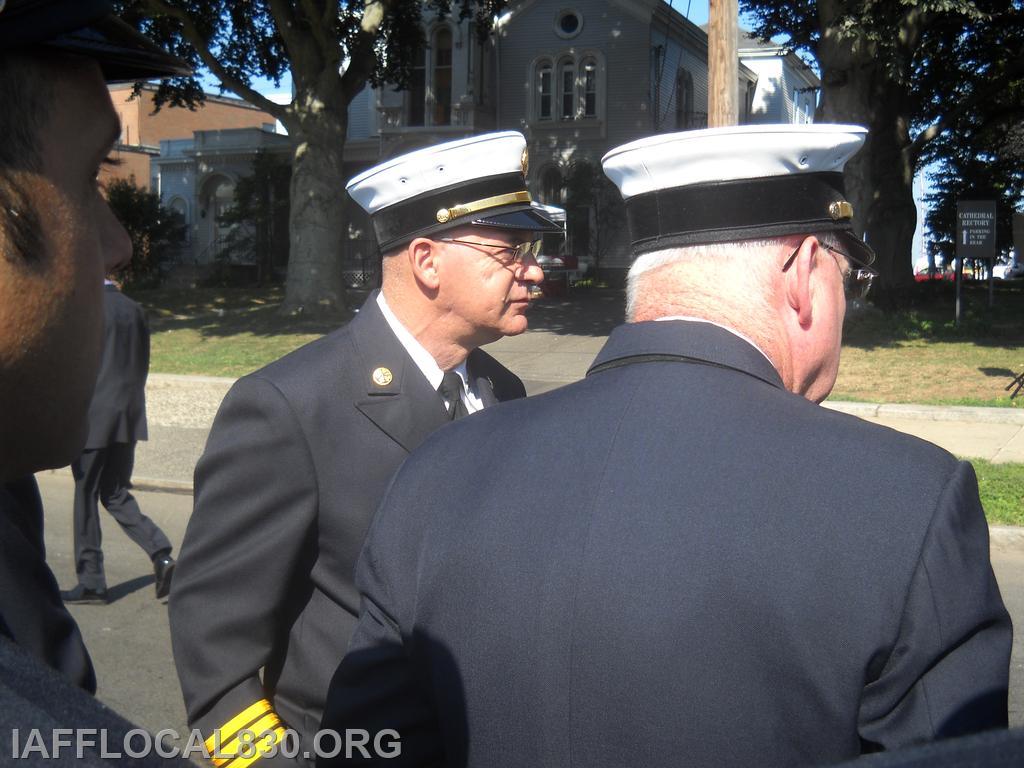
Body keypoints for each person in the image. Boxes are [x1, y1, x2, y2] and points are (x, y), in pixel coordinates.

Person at [319, 125, 1012, 767]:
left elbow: (366, 748)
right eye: (847, 281)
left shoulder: (439, 471)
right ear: (804, 274)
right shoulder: (907, 500)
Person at [169, 131, 563, 766]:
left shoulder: (502, 390)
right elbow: (214, 649)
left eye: (533, 250)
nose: (535, 270)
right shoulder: (290, 405)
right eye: (510, 251)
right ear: (428, 261)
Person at [0, 0, 188, 689]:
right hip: (120, 422)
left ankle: (105, 571)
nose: (117, 245)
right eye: (87, 177)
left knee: (97, 504)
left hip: (98, 424)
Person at [61, 278, 175, 606]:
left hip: (94, 415)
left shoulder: (87, 308)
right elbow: (143, 363)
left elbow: (74, 365)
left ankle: (92, 581)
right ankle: (160, 553)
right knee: (113, 492)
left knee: (86, 495)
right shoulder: (134, 309)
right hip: (127, 414)